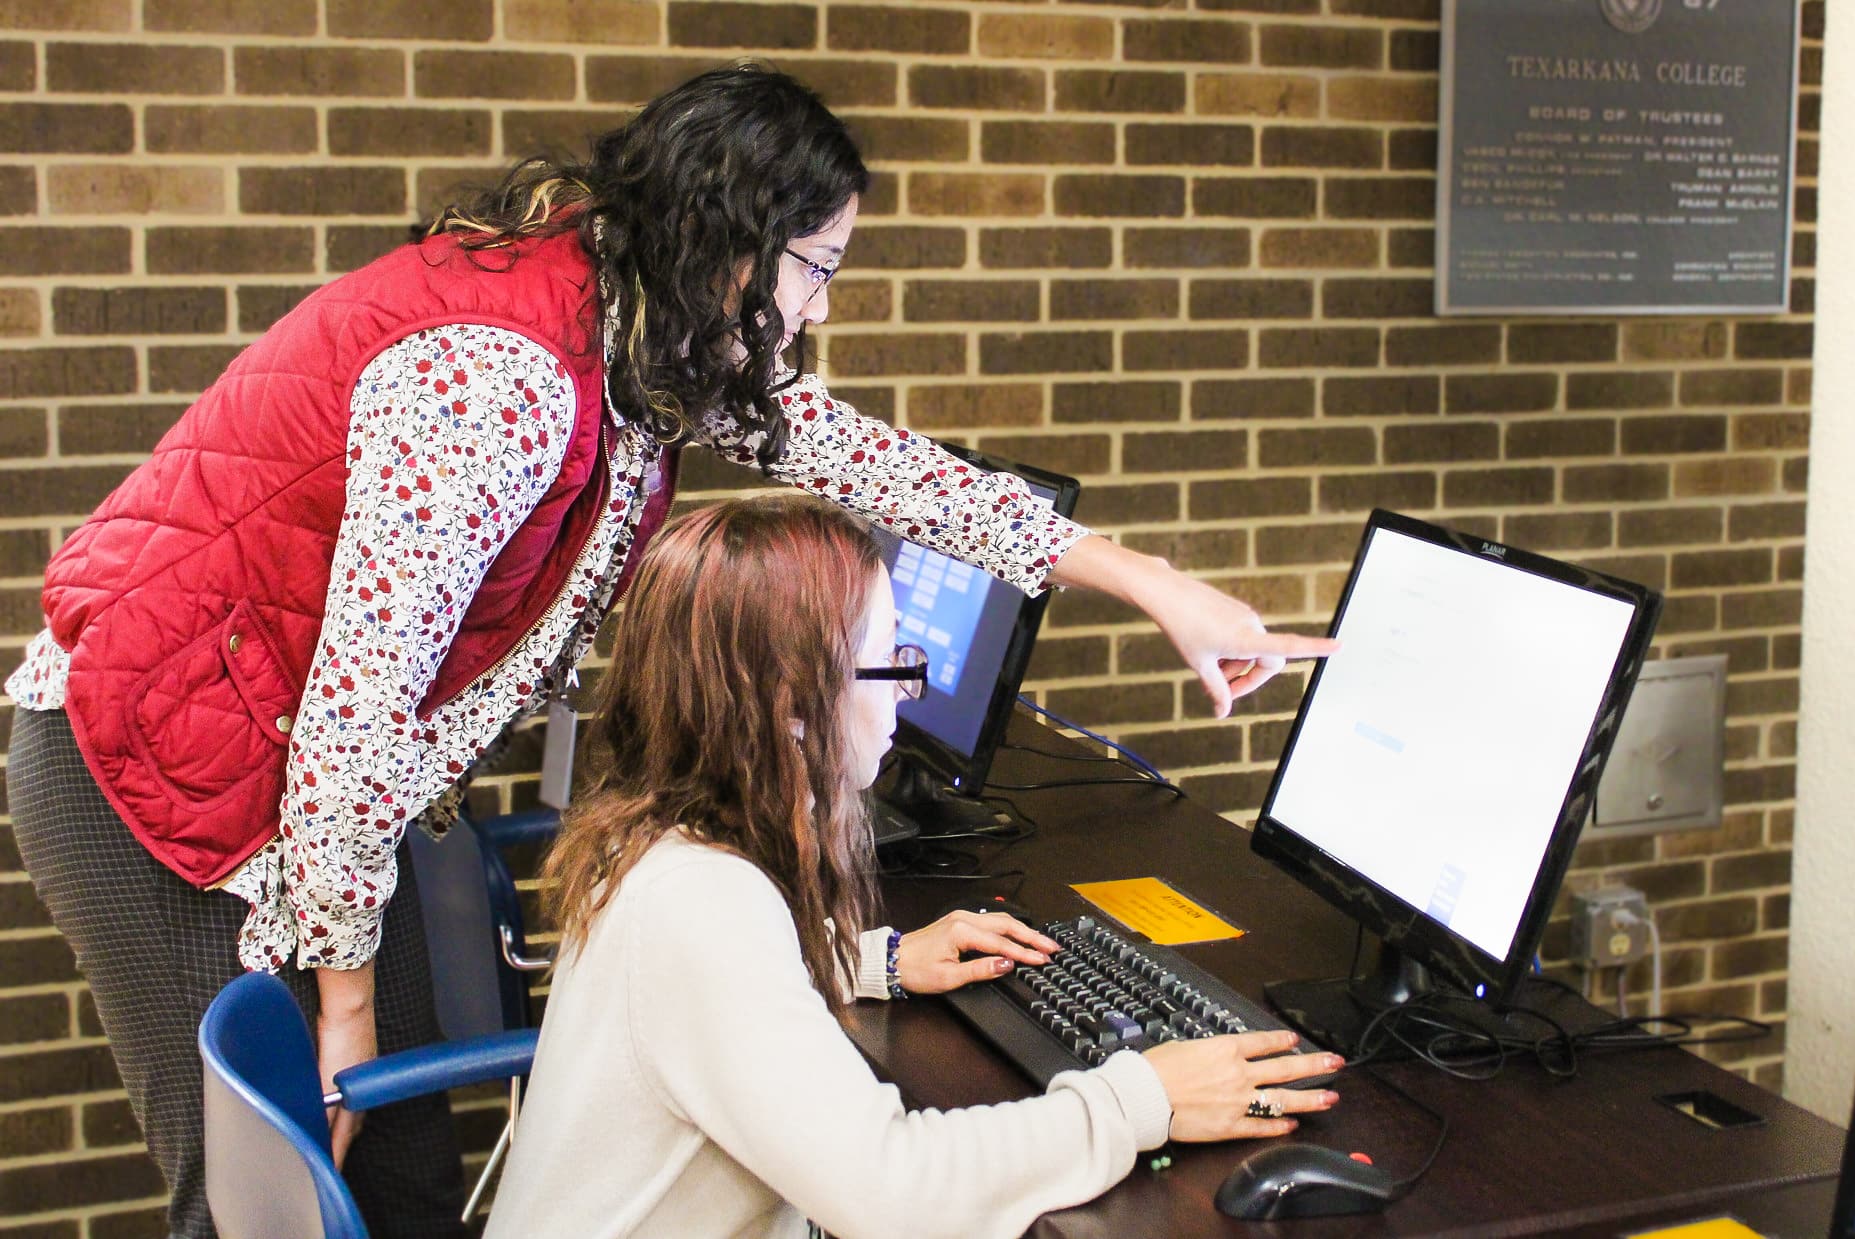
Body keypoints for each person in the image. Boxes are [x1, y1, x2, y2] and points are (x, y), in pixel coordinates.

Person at [3, 63, 1333, 1239]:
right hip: (150, 754)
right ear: (736, 246)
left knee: (400, 1172)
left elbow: (878, 464)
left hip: (322, 770)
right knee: (272, 1188)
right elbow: (356, 712)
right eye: (817, 267)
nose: (814, 314)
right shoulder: (503, 382)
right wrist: (344, 1005)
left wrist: (1150, 582)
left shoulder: (639, 330)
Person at [482, 492, 1344, 1239]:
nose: (904, 693)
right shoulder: (702, 904)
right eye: (893, 663)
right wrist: (1141, 1096)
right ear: (789, 701)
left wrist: (873, 958)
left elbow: (710, 1003)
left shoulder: (659, 836)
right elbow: (893, 1192)